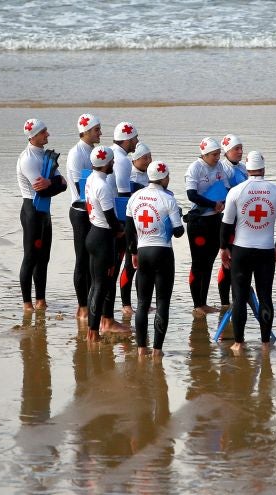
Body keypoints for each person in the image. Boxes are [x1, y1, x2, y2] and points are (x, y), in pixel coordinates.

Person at [219, 151, 276, 353]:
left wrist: (223, 248)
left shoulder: (237, 191)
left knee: (239, 297)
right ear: (263, 169)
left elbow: (226, 225)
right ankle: (265, 343)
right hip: (266, 251)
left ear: (247, 169)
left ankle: (239, 343)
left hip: (241, 250)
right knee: (265, 296)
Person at [125, 161, 185, 358]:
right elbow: (178, 232)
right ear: (164, 178)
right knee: (162, 303)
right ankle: (157, 350)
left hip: (142, 252)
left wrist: (133, 252)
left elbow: (129, 230)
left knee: (142, 303)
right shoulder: (168, 199)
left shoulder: (134, 197)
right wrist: (179, 218)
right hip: (163, 253)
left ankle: (141, 349)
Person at [16, 118, 67, 312]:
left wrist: (53, 184)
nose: (48, 134)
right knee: (31, 257)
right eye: (44, 132)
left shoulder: (46, 156)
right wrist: (53, 184)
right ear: (34, 135)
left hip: (44, 212)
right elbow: (42, 191)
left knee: (44, 258)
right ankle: (27, 303)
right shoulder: (28, 158)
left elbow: (63, 183)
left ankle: (41, 300)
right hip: (32, 211)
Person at [84, 145, 130, 340]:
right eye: (111, 161)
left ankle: (94, 327)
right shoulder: (103, 186)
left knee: (95, 284)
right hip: (103, 238)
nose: (113, 164)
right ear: (106, 163)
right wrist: (121, 232)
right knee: (101, 286)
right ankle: (94, 332)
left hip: (93, 233)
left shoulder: (90, 178)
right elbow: (111, 217)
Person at [185, 137, 232, 317]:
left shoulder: (219, 166)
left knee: (210, 263)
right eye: (214, 155)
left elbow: (227, 188)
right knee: (198, 263)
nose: (217, 157)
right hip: (199, 222)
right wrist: (213, 204)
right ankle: (197, 304)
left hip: (215, 219)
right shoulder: (195, 168)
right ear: (204, 154)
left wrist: (224, 202)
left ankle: (203, 302)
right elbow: (191, 195)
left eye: (219, 154)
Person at [65, 113, 102, 320]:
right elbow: (81, 190)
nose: (100, 133)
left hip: (92, 212)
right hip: (80, 213)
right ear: (85, 131)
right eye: (97, 129)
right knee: (82, 260)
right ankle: (82, 307)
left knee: (92, 261)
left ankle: (90, 302)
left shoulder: (94, 150)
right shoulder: (76, 154)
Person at [110, 122, 140, 317]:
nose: (137, 142)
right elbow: (123, 196)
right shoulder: (121, 160)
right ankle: (121, 307)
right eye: (135, 138)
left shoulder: (112, 153)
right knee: (120, 263)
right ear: (127, 139)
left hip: (104, 217)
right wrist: (126, 226)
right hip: (117, 220)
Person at [216, 134, 247, 307]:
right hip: (229, 221)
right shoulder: (224, 170)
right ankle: (225, 303)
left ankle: (236, 300)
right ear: (226, 151)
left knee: (238, 262)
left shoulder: (243, 167)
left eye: (241, 148)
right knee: (228, 262)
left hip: (242, 221)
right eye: (236, 149)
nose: (240, 151)